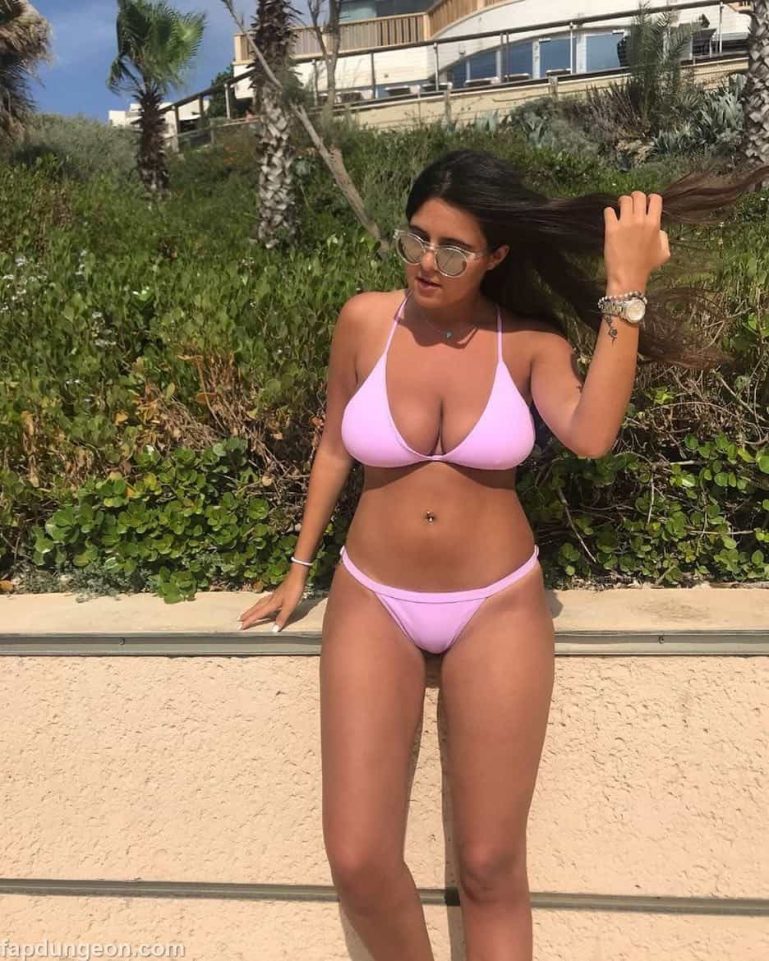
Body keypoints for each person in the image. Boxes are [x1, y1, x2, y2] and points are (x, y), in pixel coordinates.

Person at [238, 149, 768, 961]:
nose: (428, 261)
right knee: (358, 858)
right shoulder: (364, 321)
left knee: (488, 863)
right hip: (372, 596)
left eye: (454, 249)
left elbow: (590, 434)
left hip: (496, 604)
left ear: (495, 256)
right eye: (416, 238)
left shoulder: (527, 342)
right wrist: (297, 568)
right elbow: (335, 444)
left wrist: (625, 289)